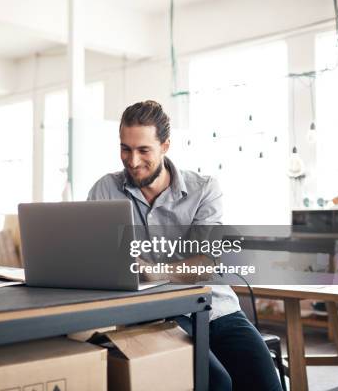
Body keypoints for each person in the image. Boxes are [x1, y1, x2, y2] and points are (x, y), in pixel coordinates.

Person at [87, 100, 282, 391]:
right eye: (125, 149)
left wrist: (154, 272)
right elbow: (92, 252)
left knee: (265, 384)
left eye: (143, 150)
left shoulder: (204, 189)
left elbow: (204, 266)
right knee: (217, 382)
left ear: (165, 145)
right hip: (160, 314)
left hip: (217, 307)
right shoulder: (106, 189)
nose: (133, 160)